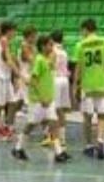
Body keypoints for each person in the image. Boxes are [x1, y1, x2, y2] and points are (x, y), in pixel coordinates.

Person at [13, 33, 69, 163]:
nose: (52, 47)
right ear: (43, 46)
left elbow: (51, 64)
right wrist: (40, 97)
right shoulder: (38, 60)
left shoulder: (45, 60)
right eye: (50, 44)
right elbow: (33, 81)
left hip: (48, 99)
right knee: (31, 124)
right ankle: (18, 148)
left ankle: (59, 152)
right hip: (39, 100)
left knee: (54, 124)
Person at [73, 18, 104, 160]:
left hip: (88, 85)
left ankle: (89, 145)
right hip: (103, 84)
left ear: (85, 29)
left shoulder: (80, 45)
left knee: (87, 117)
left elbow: (78, 67)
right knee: (102, 115)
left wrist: (75, 85)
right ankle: (101, 141)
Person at [50, 30, 72, 152]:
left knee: (54, 109)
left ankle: (54, 137)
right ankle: (62, 138)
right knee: (61, 110)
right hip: (65, 80)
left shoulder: (52, 51)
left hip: (56, 80)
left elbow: (51, 66)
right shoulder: (64, 52)